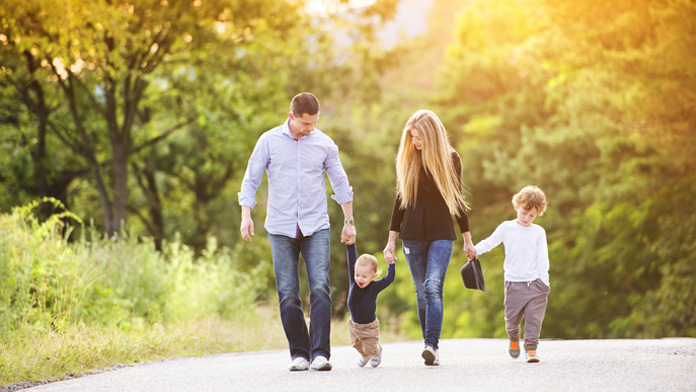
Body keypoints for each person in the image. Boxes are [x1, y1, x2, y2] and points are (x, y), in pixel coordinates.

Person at [238, 92, 356, 372]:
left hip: (316, 225)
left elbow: (340, 181)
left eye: (314, 123)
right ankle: (299, 353)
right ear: (292, 117)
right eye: (306, 123)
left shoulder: (324, 144)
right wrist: (246, 215)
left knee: (320, 288)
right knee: (288, 292)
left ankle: (320, 353)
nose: (310, 128)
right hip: (280, 227)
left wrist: (349, 220)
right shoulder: (269, 141)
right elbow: (251, 177)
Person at [383, 109, 476, 366]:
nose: (415, 142)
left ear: (432, 135)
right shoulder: (409, 159)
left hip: (441, 235)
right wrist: (391, 240)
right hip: (412, 236)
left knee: (432, 287)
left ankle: (431, 346)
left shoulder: (451, 159)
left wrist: (468, 239)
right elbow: (399, 203)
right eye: (412, 137)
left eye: (419, 137)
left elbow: (458, 203)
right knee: (422, 293)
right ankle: (429, 346)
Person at [473, 185, 550, 363]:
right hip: (514, 283)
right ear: (517, 206)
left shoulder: (538, 232)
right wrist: (474, 250)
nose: (527, 218)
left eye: (532, 216)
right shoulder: (507, 228)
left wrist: (544, 282)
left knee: (534, 319)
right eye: (524, 213)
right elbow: (490, 242)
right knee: (512, 319)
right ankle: (514, 338)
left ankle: (531, 349)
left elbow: (542, 259)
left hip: (535, 284)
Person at [346, 243, 395, 368]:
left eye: (364, 276)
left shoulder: (375, 287)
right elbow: (352, 258)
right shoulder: (354, 282)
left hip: (369, 327)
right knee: (356, 344)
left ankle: (376, 351)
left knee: (370, 348)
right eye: (357, 275)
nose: (360, 279)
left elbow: (389, 279)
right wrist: (350, 245)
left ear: (373, 276)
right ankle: (365, 355)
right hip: (354, 325)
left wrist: (391, 264)